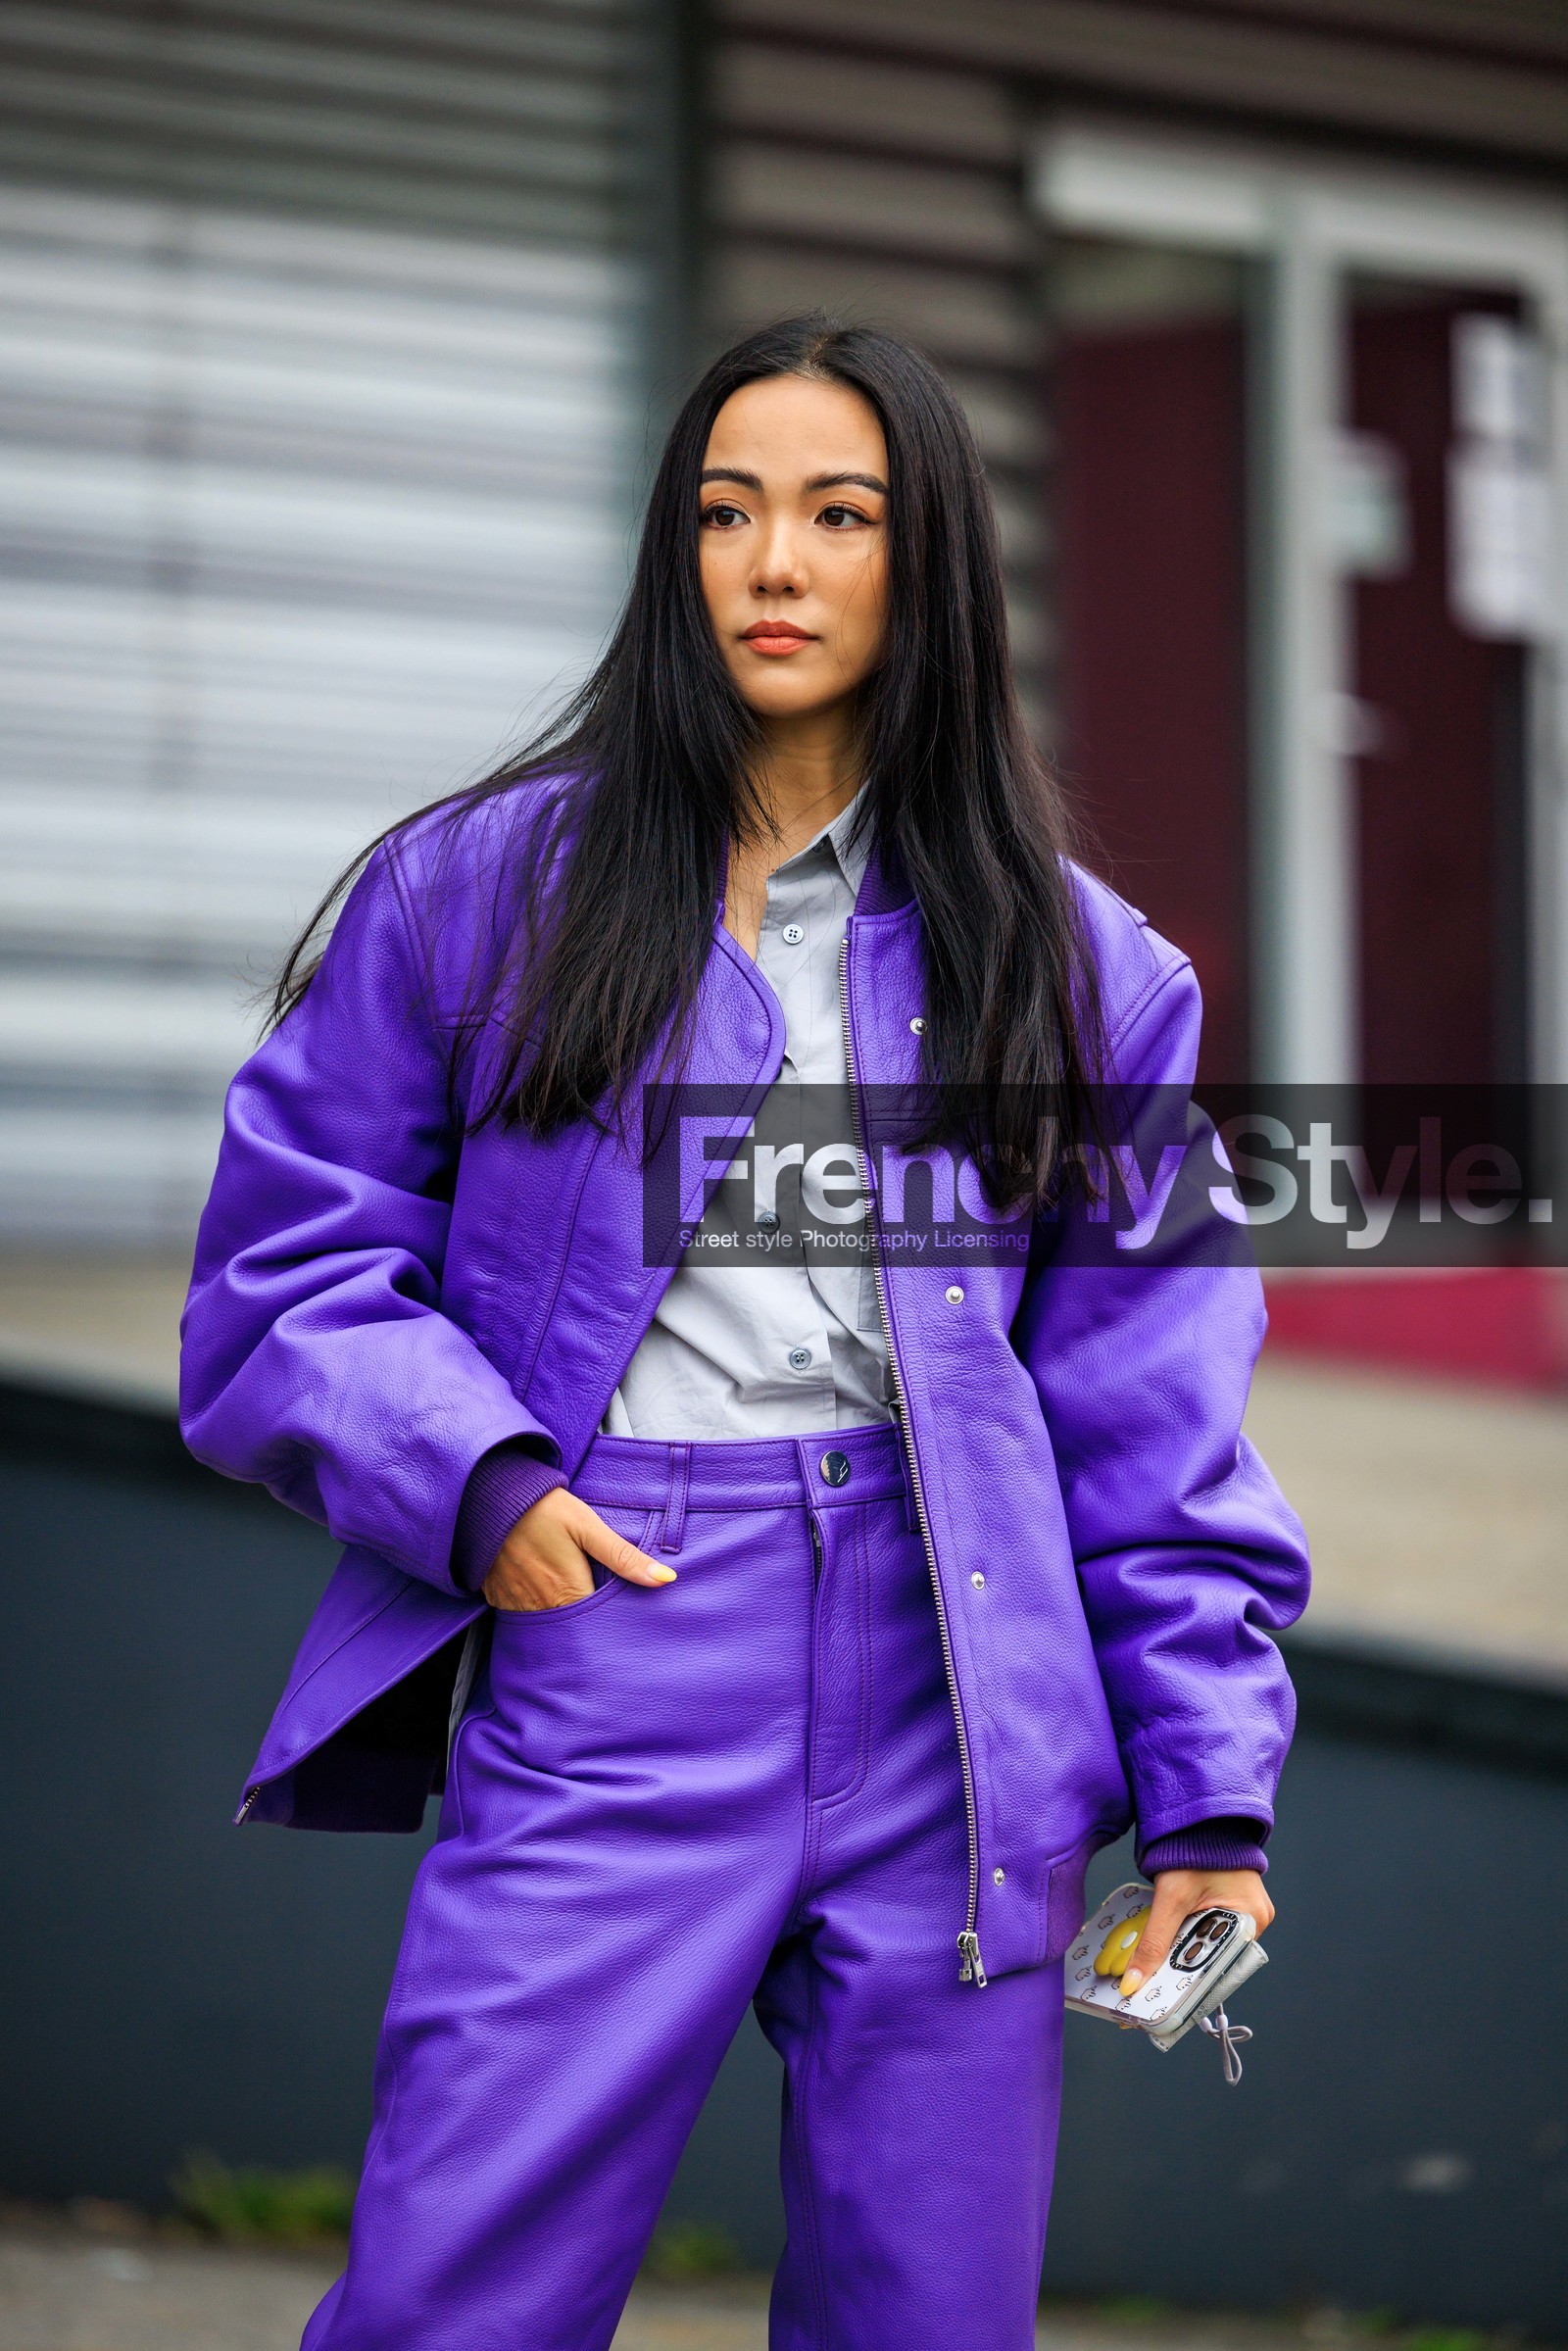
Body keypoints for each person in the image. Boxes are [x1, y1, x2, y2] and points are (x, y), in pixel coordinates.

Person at [180, 317, 1309, 2351]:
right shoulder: (480, 894)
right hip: (612, 1623)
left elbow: (1150, 1420)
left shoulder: (1075, 970)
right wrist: (486, 1485)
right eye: (723, 512)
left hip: (957, 1688)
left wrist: (1208, 1803)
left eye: (836, 514)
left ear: (926, 563)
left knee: (924, 2315)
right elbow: (286, 1266)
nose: (769, 564)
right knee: (460, 2295)